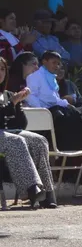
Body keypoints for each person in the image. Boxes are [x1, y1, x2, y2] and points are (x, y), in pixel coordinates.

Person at [0, 57, 58, 209]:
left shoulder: (8, 94)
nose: (0, 73)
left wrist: (17, 104)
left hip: (9, 133)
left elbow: (21, 125)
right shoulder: (10, 98)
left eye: (2, 69)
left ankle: (47, 193)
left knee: (39, 140)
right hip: (5, 136)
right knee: (16, 141)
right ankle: (31, 189)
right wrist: (11, 104)